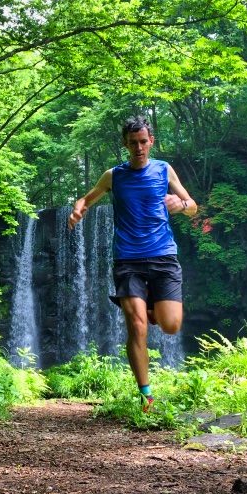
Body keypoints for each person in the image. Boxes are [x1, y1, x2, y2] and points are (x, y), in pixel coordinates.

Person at [68, 116, 197, 412]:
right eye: (132, 143)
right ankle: (146, 394)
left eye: (143, 141)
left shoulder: (164, 170)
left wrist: (183, 205)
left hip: (164, 255)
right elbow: (85, 200)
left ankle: (152, 304)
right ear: (124, 144)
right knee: (137, 326)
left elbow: (192, 206)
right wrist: (78, 210)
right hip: (128, 260)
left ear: (151, 141)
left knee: (170, 325)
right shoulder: (113, 176)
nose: (138, 147)